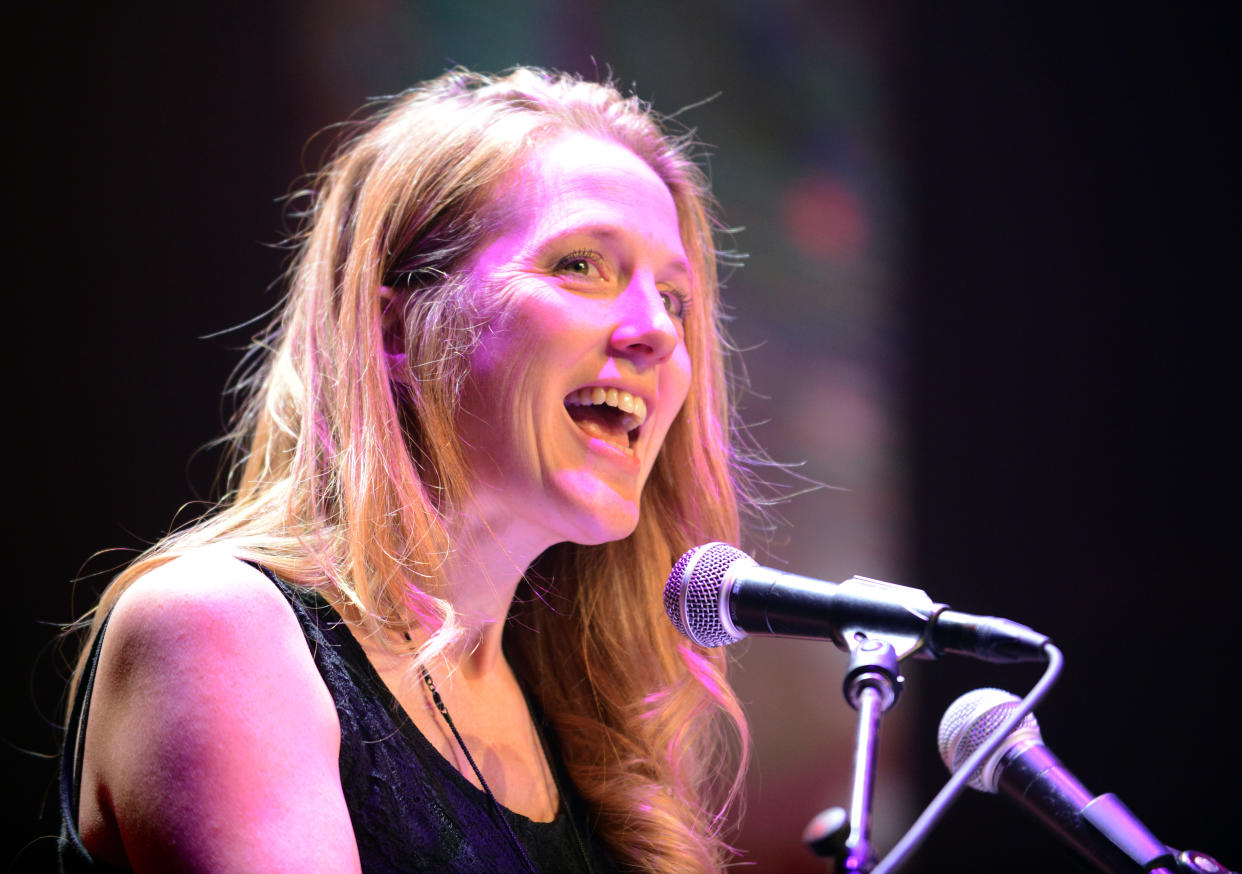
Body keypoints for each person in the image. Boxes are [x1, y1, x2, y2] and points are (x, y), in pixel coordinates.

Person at [58, 66, 759, 873]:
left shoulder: (579, 731)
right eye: (579, 265)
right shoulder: (218, 628)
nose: (658, 334)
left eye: (674, 298)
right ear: (394, 328)